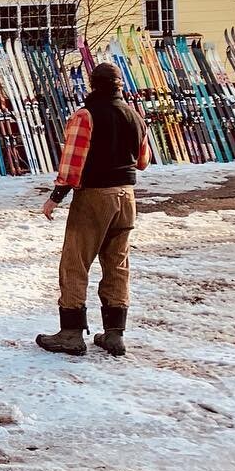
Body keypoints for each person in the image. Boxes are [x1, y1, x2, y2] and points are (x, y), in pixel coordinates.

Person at [36, 62, 151, 357]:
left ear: (92, 84)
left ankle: (71, 334)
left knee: (75, 263)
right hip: (127, 197)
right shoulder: (135, 115)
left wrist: (56, 196)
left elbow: (73, 162)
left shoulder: (85, 116)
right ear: (119, 85)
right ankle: (115, 334)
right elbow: (143, 161)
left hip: (95, 196)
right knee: (117, 264)